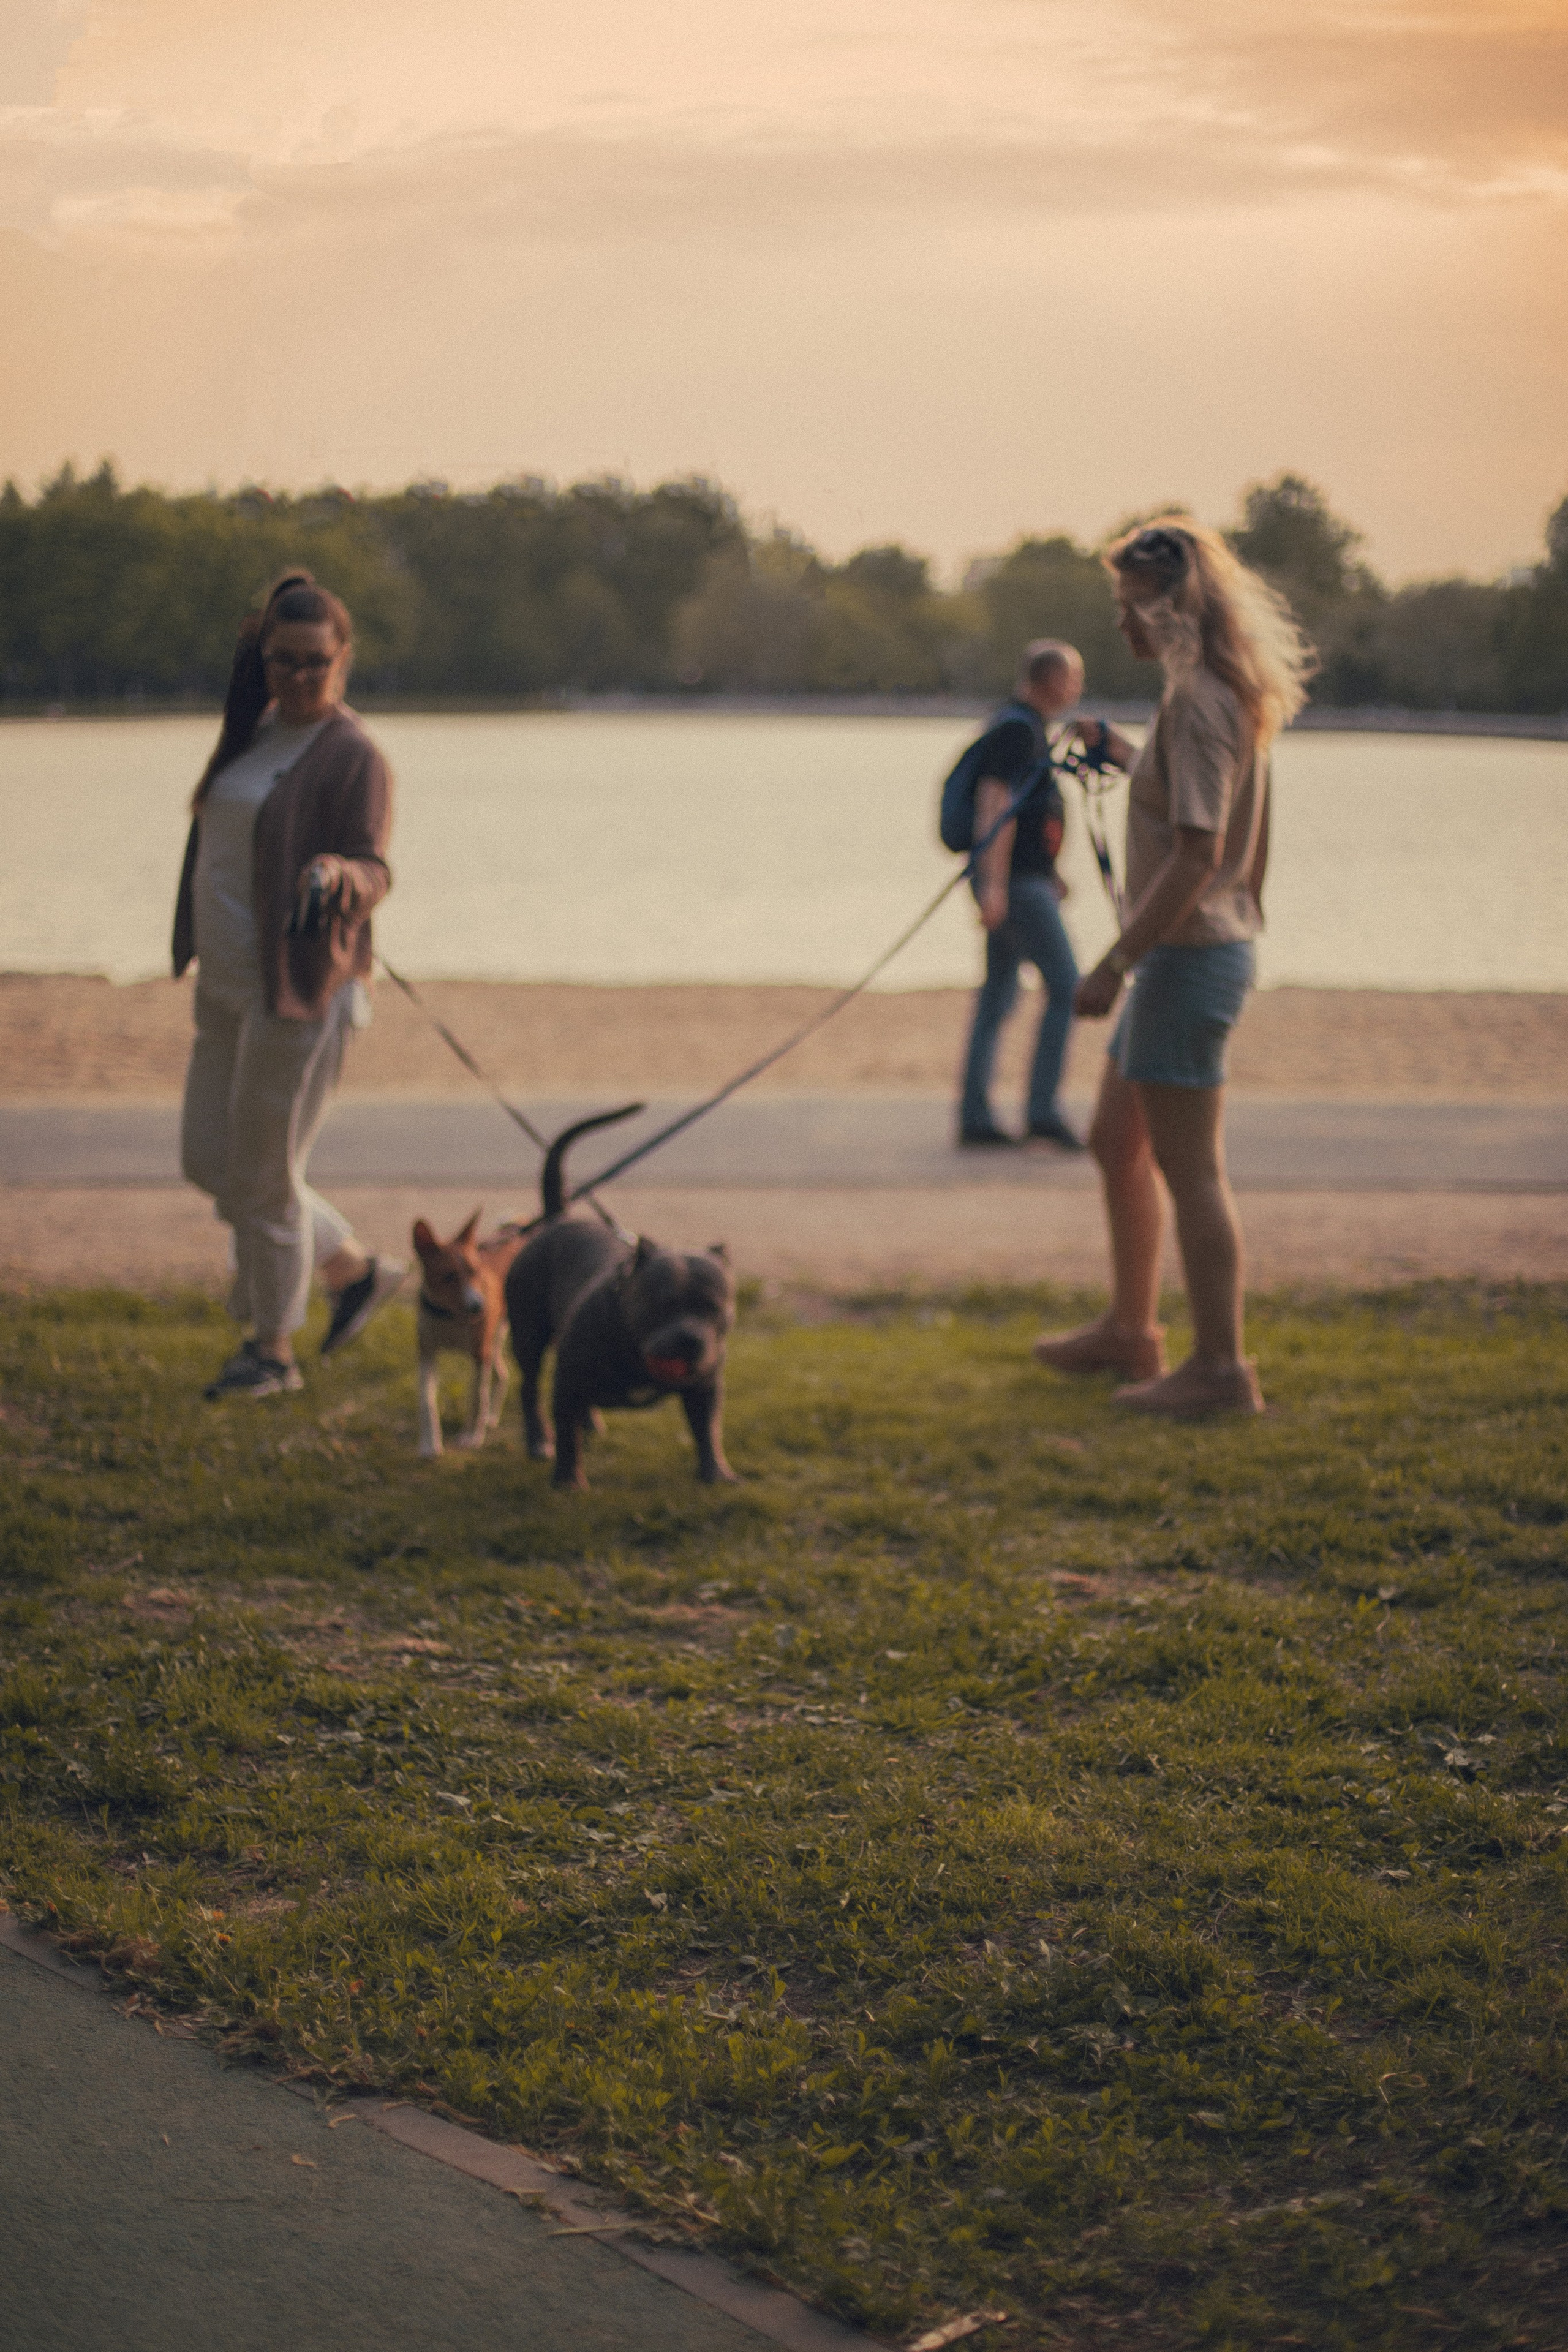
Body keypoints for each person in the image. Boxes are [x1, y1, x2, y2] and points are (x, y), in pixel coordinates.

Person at [1033, 519, 1310, 1416]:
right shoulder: (1210, 693)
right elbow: (1192, 801)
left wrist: (1114, 962)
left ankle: (1223, 1372)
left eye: (1128, 608)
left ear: (1170, 607)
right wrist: (1124, 757)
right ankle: (1131, 1329)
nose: (1120, 628)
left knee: (1192, 1171)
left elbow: (1197, 853)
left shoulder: (1199, 701)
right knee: (1117, 1141)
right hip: (1184, 961)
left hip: (1188, 962)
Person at [172, 571, 405, 1399]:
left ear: (342, 659)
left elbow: (378, 868)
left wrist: (343, 873)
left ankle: (271, 1353)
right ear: (263, 660)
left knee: (265, 1177)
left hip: (301, 992)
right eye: (284, 661)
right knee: (208, 1160)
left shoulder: (353, 753)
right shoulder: (254, 729)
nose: (300, 677)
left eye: (316, 662)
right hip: (227, 987)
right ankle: (352, 1267)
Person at [957, 640, 1085, 1148]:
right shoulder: (1018, 730)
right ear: (1050, 680)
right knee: (1067, 987)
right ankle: (1042, 1111)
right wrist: (992, 886)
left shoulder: (1024, 727)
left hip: (1025, 881)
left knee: (998, 997)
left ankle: (977, 1117)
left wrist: (1051, 871)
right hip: (1015, 885)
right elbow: (996, 806)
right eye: (1072, 678)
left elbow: (1030, 813)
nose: (1076, 689)